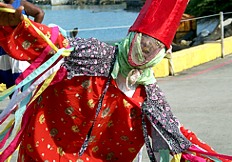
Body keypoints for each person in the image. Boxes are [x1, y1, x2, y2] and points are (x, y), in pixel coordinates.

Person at [0, 1, 232, 162]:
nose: (143, 50)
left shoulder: (150, 98)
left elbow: (178, 138)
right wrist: (16, 26)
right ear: (132, 36)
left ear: (162, 54)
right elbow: (54, 44)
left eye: (151, 48)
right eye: (142, 42)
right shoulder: (95, 53)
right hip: (46, 147)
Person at [0, 0, 44, 96]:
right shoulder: (2, 5)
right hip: (4, 49)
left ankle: (23, 106)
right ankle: (14, 106)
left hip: (18, 47)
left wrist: (31, 34)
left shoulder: (20, 3)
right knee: (8, 78)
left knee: (21, 77)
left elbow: (39, 13)